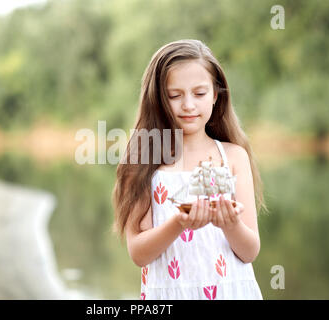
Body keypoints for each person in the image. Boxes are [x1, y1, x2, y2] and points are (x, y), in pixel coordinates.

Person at [112, 39, 267, 300]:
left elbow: (249, 251)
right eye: (174, 95)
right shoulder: (143, 161)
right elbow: (138, 253)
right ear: (158, 99)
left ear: (216, 95)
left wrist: (230, 224)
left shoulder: (232, 157)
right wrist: (178, 223)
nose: (188, 105)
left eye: (199, 93)